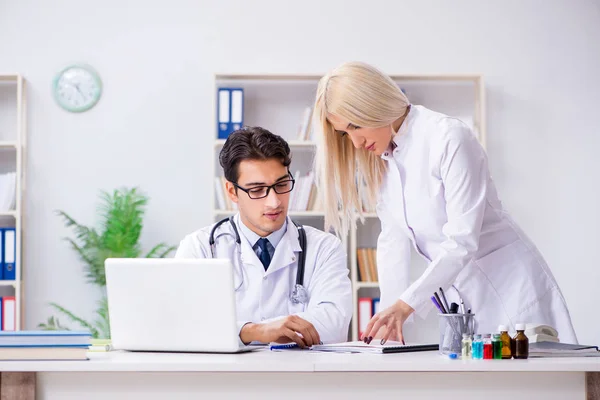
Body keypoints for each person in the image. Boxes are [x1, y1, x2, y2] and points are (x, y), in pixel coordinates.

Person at [311, 61, 578, 345]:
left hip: (514, 294)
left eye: (355, 126)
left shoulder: (448, 138)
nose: (355, 142)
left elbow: (462, 240)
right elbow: (392, 243)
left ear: (374, 104)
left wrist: (406, 304)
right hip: (465, 305)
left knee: (541, 386)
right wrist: (387, 325)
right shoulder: (386, 162)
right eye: (344, 133)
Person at [175, 126, 352, 347]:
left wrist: (238, 330)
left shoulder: (324, 248)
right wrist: (255, 331)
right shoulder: (200, 248)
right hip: (226, 378)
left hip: (299, 377)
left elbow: (334, 326)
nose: (274, 202)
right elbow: (185, 324)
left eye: (281, 185)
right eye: (257, 190)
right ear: (232, 192)